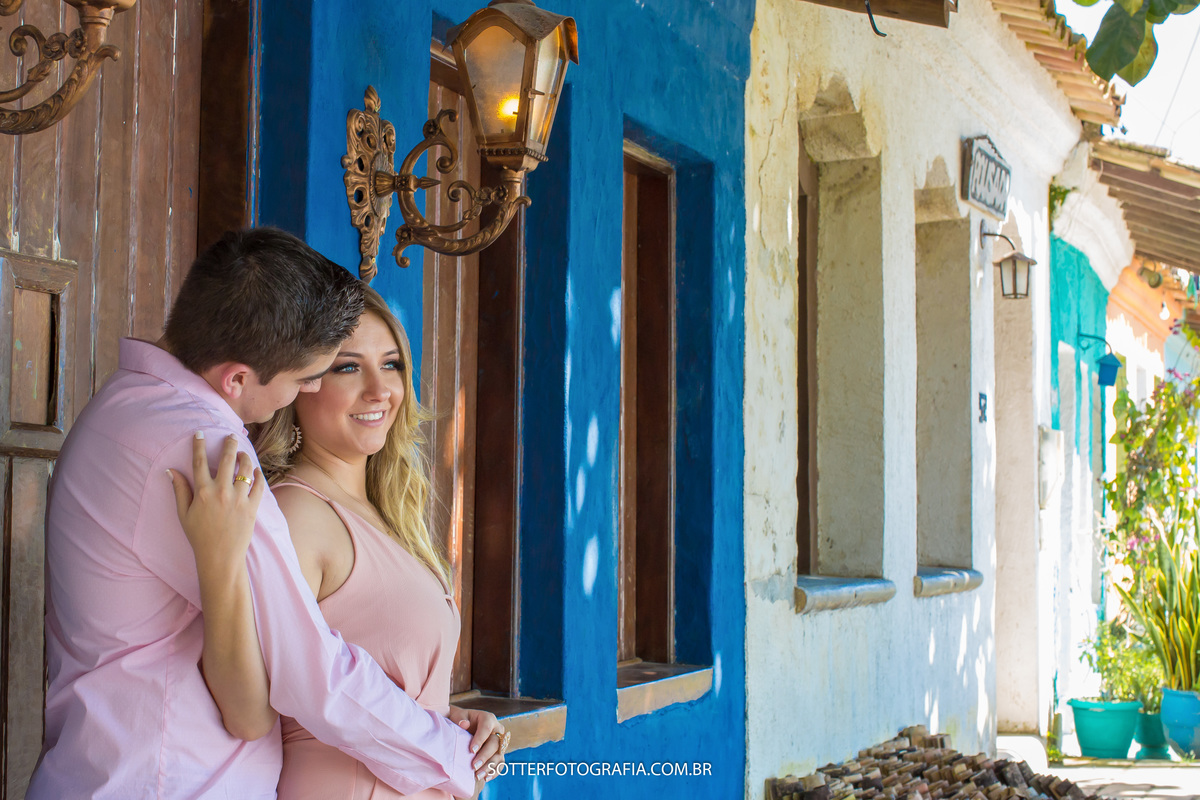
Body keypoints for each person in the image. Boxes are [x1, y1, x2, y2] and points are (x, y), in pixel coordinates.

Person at [28, 228, 484, 800]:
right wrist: (451, 756)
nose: (305, 390)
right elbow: (308, 674)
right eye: (304, 379)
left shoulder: (118, 406)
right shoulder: (208, 452)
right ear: (238, 377)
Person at [170, 283, 508, 799]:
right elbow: (248, 705)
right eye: (347, 367)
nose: (379, 390)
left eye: (391, 364)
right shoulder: (296, 513)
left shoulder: (385, 511)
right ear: (301, 383)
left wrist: (449, 720)